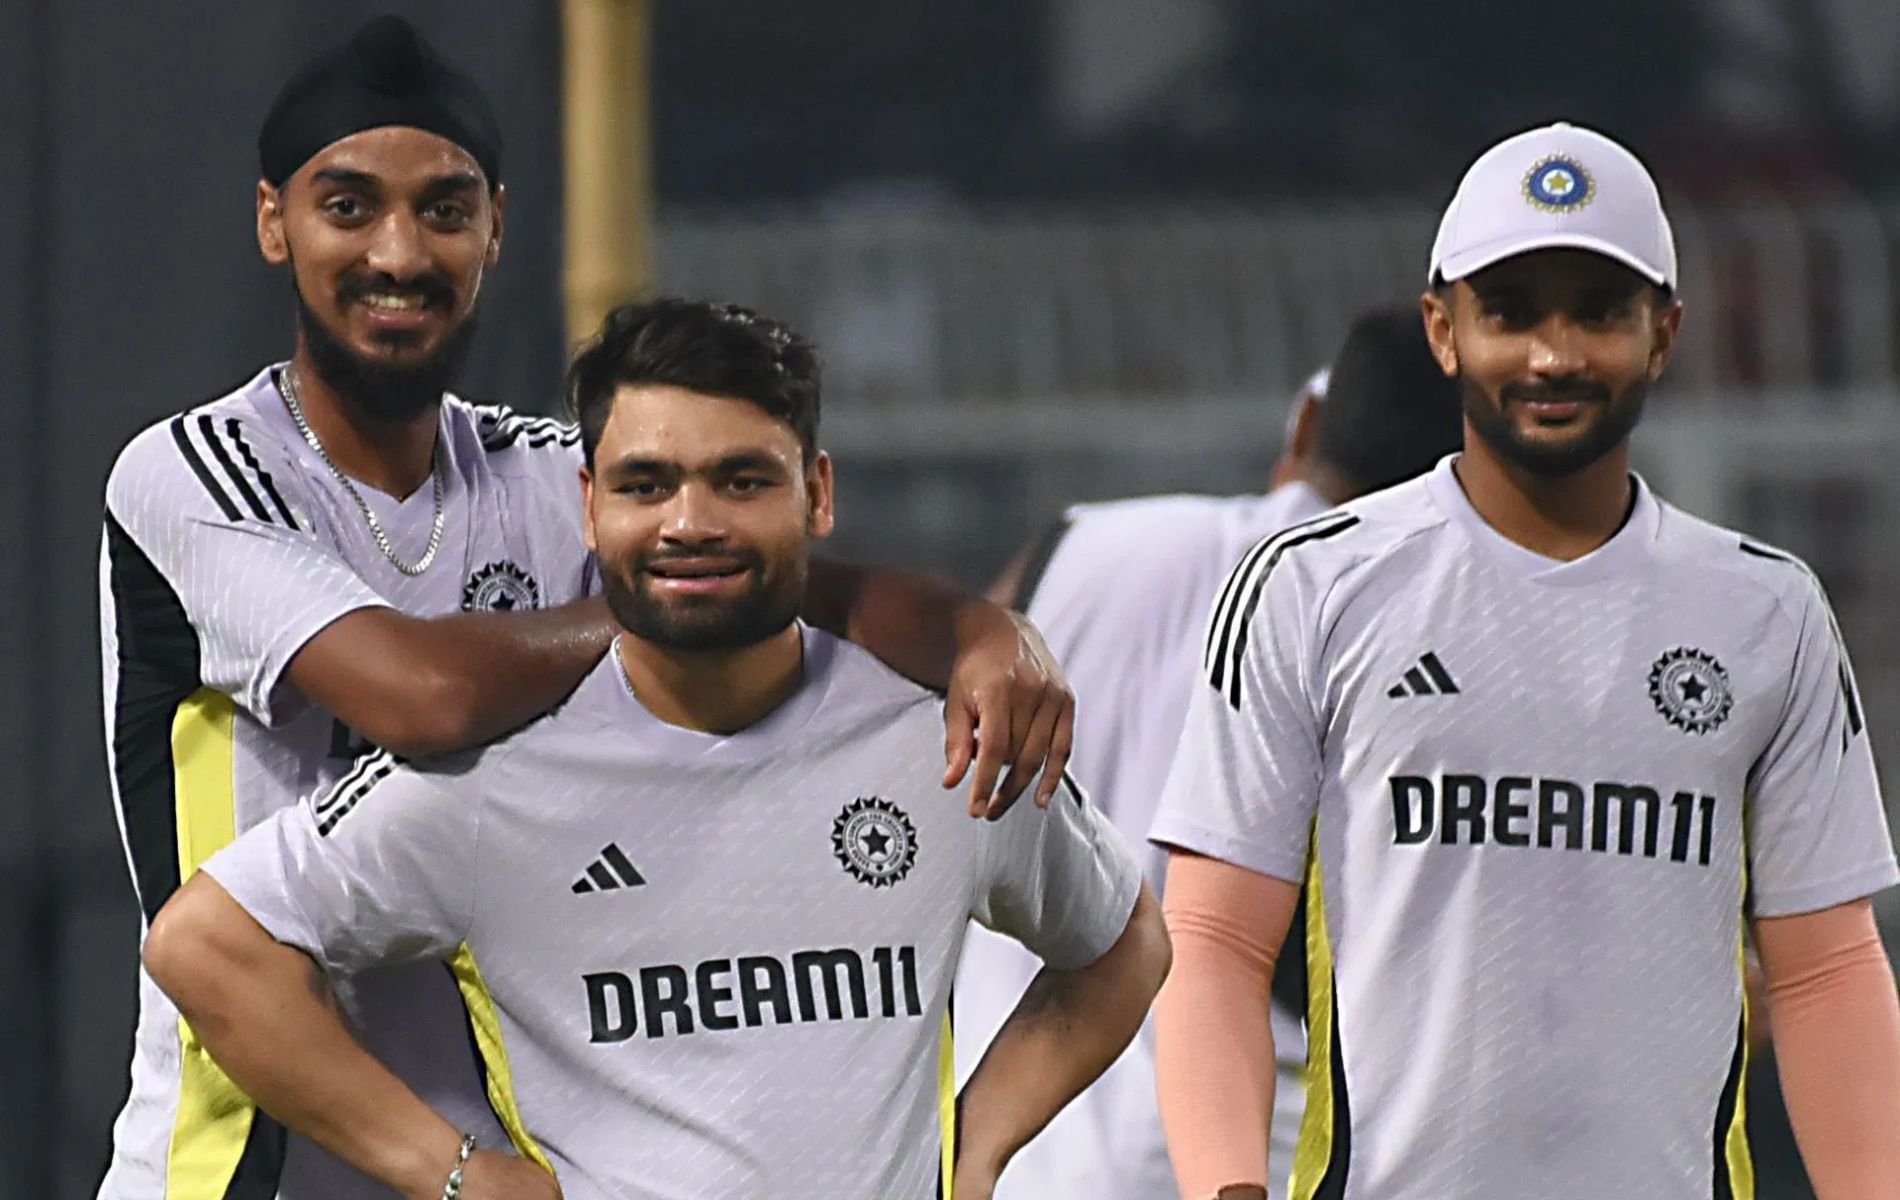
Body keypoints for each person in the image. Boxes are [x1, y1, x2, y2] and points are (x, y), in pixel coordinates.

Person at [98, 18, 1076, 1200]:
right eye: (347, 206)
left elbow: (774, 575)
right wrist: (686, 599)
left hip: (512, 1159)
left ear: (496, 226)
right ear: (273, 221)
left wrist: (981, 634)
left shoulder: (538, 470)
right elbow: (424, 696)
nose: (401, 252)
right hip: (257, 1154)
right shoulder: (196, 468)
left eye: (446, 210)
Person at [140, 297, 1173, 1200]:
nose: (691, 521)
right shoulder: (499, 775)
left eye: (739, 481)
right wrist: (452, 1172)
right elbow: (208, 946)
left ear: (815, 493)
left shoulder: (935, 737)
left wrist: (978, 1145)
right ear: (587, 505)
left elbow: (1125, 943)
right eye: (646, 485)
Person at [1151, 121, 1900, 1200]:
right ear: (1442, 331)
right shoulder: (1313, 585)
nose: (1554, 354)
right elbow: (1214, 936)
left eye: (1598, 311)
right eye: (1511, 313)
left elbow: (1826, 969)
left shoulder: (1765, 611)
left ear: (1663, 334)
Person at [955, 309, 1464, 1200]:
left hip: (1020, 1150)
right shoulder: (1423, 628)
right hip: (1243, 1160)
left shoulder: (1078, 543)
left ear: (1306, 428)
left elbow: (943, 771)